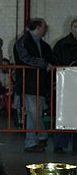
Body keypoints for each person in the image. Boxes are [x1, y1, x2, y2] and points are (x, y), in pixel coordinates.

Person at [13, 18, 55, 153]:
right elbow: (25, 59)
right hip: (29, 83)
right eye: (44, 27)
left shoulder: (37, 44)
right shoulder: (23, 43)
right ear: (38, 28)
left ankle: (39, 137)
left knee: (35, 113)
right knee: (34, 113)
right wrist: (44, 64)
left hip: (37, 83)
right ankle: (33, 140)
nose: (45, 30)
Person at [53, 17, 77, 153]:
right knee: (62, 114)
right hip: (65, 85)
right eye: (75, 26)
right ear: (71, 28)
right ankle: (59, 144)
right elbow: (55, 61)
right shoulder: (61, 44)